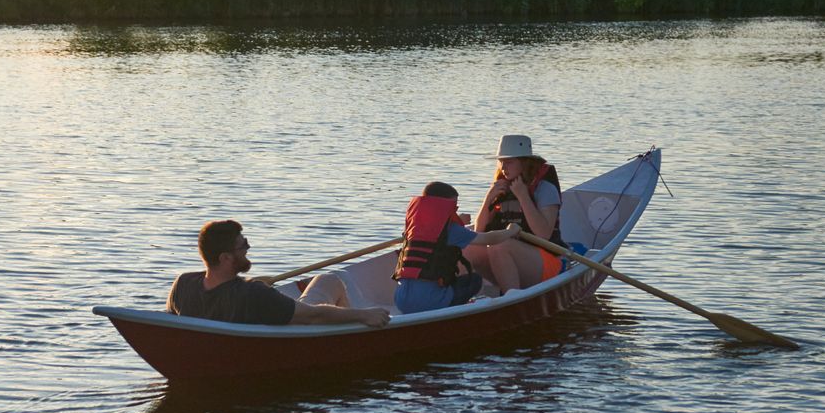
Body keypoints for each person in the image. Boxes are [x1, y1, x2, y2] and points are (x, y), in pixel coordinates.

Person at [167, 219, 390, 328]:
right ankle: (351, 338)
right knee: (329, 280)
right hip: (294, 324)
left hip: (226, 344)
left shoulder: (183, 284)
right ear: (225, 258)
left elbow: (176, 325)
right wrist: (364, 315)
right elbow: (314, 316)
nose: (248, 248)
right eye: (243, 245)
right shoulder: (253, 294)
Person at [462, 134, 564, 293]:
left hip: (548, 265)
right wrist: (488, 198)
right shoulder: (501, 188)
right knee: (466, 248)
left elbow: (543, 234)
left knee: (499, 245)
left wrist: (523, 196)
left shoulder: (545, 188)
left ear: (524, 162)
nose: (503, 167)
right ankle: (459, 299)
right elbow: (478, 231)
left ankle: (511, 300)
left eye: (509, 162)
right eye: (501, 162)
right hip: (508, 260)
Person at [392, 181, 488, 314]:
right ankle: (449, 308)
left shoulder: (412, 228)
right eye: (453, 207)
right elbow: (490, 239)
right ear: (441, 206)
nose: (455, 210)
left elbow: (437, 228)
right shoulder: (452, 230)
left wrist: (458, 221)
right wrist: (511, 231)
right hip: (430, 303)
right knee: (475, 280)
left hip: (401, 301)